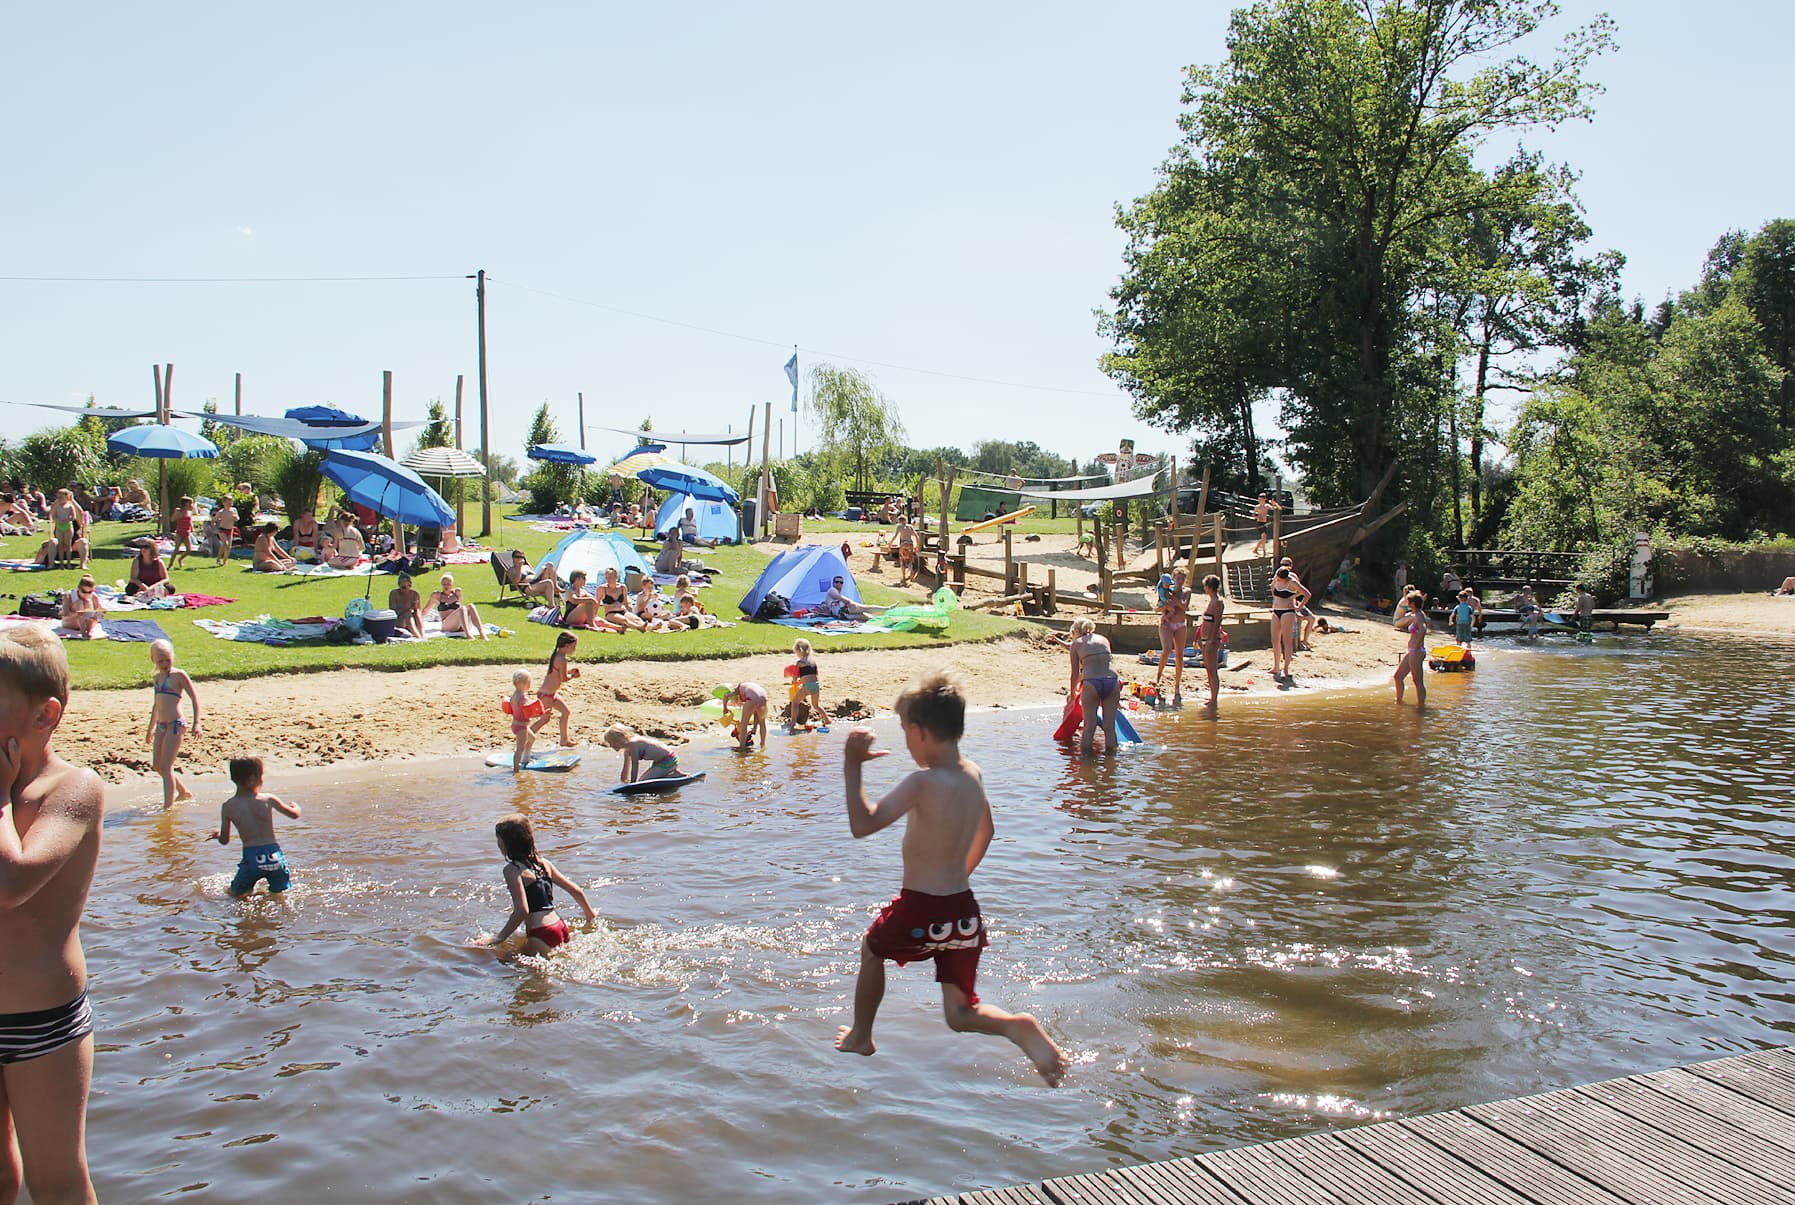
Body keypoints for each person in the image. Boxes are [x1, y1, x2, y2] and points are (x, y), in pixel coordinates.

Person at [833, 671, 1065, 1085]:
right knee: (961, 1014)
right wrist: (957, 876)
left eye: (905, 731)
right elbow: (987, 831)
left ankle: (862, 1036)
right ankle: (1017, 1026)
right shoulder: (973, 774)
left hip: (922, 906)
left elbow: (862, 824)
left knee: (871, 949)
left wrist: (852, 767)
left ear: (921, 733)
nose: (906, 741)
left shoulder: (923, 782)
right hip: (963, 910)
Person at [0, 625, 105, 1203]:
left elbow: (11, 882)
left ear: (45, 716)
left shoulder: (73, 790)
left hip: (41, 1021)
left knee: (58, 1180)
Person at [477, 815, 594, 955]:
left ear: (505, 843)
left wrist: (499, 938)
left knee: (506, 962)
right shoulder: (544, 863)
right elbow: (576, 890)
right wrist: (590, 917)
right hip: (560, 926)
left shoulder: (513, 870)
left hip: (540, 932)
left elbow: (522, 911)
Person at [213, 755, 301, 898]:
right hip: (275, 857)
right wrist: (297, 807)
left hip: (252, 858)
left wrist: (217, 835)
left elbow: (224, 840)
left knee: (235, 894)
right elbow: (294, 815)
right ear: (253, 779)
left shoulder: (228, 806)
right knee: (280, 896)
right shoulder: (268, 799)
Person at [145, 639, 198, 810]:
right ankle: (184, 792)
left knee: (167, 766)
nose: (165, 664)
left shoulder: (179, 676)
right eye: (161, 661)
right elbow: (156, 705)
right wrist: (150, 729)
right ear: (153, 660)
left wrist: (197, 723)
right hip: (161, 725)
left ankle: (168, 807)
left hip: (176, 724)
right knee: (157, 765)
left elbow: (194, 699)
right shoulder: (157, 678)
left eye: (168, 659)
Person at [1064, 616, 1119, 757]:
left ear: (1075, 630)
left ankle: (1087, 765)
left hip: (1092, 682)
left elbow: (1075, 673)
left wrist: (1072, 695)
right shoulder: (1104, 639)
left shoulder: (1076, 644)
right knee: (1110, 728)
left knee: (1089, 728)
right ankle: (1111, 765)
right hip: (1112, 681)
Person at [531, 633, 581, 747]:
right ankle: (526, 735)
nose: (575, 649)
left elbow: (557, 673)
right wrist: (573, 676)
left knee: (565, 712)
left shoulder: (557, 655)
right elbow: (563, 679)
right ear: (567, 646)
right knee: (545, 719)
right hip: (546, 695)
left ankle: (564, 740)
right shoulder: (562, 660)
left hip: (550, 694)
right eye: (574, 646)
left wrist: (569, 671)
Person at [1151, 569, 1189, 706]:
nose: (1180, 581)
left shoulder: (1186, 592)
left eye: (1182, 579)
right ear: (1173, 578)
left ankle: (1177, 686)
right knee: (1166, 650)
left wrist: (1175, 599)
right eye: (1178, 578)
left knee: (1179, 655)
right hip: (1167, 624)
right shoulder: (1165, 590)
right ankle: (1158, 677)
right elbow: (1157, 608)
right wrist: (1166, 606)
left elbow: (1184, 607)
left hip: (1180, 625)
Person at [1268, 566, 1309, 683]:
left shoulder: (1292, 582)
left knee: (1286, 640)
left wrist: (1298, 607)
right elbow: (1272, 589)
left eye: (1281, 579)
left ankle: (1286, 668)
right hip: (1276, 611)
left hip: (1288, 612)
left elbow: (1307, 594)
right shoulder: (1276, 579)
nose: (1279, 580)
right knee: (1275, 640)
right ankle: (1276, 666)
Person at [604, 723, 681, 783]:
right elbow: (626, 769)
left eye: (611, 743)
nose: (610, 745)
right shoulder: (627, 750)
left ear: (619, 740)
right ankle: (669, 772)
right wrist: (624, 780)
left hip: (669, 760)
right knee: (642, 780)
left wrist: (632, 784)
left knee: (645, 782)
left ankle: (674, 775)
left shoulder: (633, 744)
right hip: (658, 763)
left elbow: (635, 766)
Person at [1392, 587, 1428, 708]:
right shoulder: (1415, 614)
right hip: (1412, 651)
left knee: (1417, 681)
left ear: (1412, 603)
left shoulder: (1418, 615)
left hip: (1416, 651)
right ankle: (1399, 701)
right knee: (1398, 677)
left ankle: (1421, 707)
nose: (1406, 604)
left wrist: (1417, 645)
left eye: (1408, 602)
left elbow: (1423, 630)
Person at [425, 572, 488, 640]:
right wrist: (418, 621)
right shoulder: (437, 595)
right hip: (447, 625)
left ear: (452, 584)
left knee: (470, 606)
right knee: (462, 608)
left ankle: (482, 633)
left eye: (449, 584)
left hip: (460, 625)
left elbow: (461, 606)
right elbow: (426, 610)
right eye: (444, 584)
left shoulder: (457, 593)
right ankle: (468, 635)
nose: (446, 586)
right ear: (441, 585)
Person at [1197, 573, 1225, 708]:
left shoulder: (1217, 602)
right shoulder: (1211, 601)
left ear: (1209, 587)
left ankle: (1214, 699)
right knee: (1208, 669)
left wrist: (1211, 640)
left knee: (1213, 670)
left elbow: (1217, 622)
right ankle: (1212, 697)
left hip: (1211, 640)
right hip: (1205, 639)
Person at [721, 681, 769, 752]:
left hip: (752, 698)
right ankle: (763, 745)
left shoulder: (737, 690)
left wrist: (725, 708)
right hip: (763, 697)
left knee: (744, 723)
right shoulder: (746, 687)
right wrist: (754, 728)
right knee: (762, 722)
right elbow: (756, 713)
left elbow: (726, 696)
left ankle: (742, 748)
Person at [787, 637, 823, 729]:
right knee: (816, 705)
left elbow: (795, 676)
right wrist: (801, 681)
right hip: (816, 685)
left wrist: (795, 682)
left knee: (795, 702)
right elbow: (812, 674)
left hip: (807, 686)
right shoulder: (813, 661)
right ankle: (827, 719)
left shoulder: (799, 662)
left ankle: (793, 722)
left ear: (799, 651)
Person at [506, 670, 538, 770]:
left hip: (516, 724)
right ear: (523, 683)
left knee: (532, 738)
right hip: (521, 727)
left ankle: (526, 759)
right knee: (520, 749)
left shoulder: (514, 696)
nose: (530, 684)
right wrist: (544, 712)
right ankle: (516, 770)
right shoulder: (523, 698)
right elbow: (531, 711)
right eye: (529, 682)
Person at [597, 566, 644, 632]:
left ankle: (651, 627)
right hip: (611, 613)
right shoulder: (602, 588)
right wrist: (594, 616)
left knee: (637, 619)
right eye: (607, 577)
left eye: (610, 578)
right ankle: (639, 627)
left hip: (623, 611)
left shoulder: (622, 587)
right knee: (624, 620)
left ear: (616, 577)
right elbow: (597, 603)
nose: (608, 580)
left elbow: (626, 602)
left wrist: (631, 612)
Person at [820, 575, 885, 621]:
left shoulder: (833, 593)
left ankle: (881, 619)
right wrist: (849, 602)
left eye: (841, 582)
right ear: (833, 583)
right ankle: (886, 609)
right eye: (837, 582)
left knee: (864, 616)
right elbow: (838, 597)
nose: (839, 583)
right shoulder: (832, 590)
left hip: (842, 615)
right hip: (842, 611)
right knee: (865, 608)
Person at [59, 576, 103, 640]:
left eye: (89, 592)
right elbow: (65, 613)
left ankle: (88, 631)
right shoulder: (69, 595)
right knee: (79, 603)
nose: (86, 594)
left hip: (88, 623)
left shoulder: (94, 596)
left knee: (88, 602)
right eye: (84, 592)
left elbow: (98, 612)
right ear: (78, 589)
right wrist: (77, 613)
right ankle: (83, 631)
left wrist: (97, 614)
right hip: (71, 622)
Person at [389, 573, 425, 640]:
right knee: (407, 614)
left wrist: (415, 608)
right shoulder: (394, 594)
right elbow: (393, 612)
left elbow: (418, 611)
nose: (406, 589)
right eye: (403, 587)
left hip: (411, 619)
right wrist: (406, 608)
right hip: (399, 620)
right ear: (399, 586)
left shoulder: (415, 594)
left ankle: (422, 634)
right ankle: (418, 636)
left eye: (409, 586)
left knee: (417, 613)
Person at [210, 496, 238, 566]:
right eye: (228, 502)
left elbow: (237, 518)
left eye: (231, 502)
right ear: (224, 503)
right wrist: (215, 529)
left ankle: (224, 561)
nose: (230, 504)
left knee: (228, 546)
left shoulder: (233, 510)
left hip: (230, 529)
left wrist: (235, 518)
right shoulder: (221, 512)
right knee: (225, 543)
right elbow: (213, 520)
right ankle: (219, 558)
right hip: (222, 530)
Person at [171, 496, 196, 568]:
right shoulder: (179, 512)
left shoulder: (189, 512)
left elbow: (190, 521)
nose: (192, 505)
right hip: (179, 533)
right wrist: (176, 514)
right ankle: (171, 564)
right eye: (191, 504)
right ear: (186, 504)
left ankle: (180, 559)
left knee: (189, 549)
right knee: (176, 549)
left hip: (186, 533)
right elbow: (172, 519)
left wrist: (192, 528)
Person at [1250, 492, 1278, 557]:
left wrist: (1273, 504)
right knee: (1263, 537)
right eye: (1259, 500)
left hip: (1264, 523)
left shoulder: (1267, 506)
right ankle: (1264, 552)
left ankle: (1256, 549)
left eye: (1261, 500)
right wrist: (1257, 517)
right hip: (1259, 523)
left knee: (1264, 538)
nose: (1260, 501)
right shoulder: (1257, 507)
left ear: (1264, 499)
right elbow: (1253, 515)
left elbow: (1274, 508)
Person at [893, 518, 919, 587]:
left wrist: (890, 543)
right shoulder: (910, 527)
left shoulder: (899, 527)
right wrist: (917, 545)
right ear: (906, 520)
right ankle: (911, 571)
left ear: (900, 521)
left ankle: (904, 577)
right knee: (910, 561)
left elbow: (895, 536)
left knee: (902, 561)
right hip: (910, 544)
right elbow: (916, 536)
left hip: (903, 544)